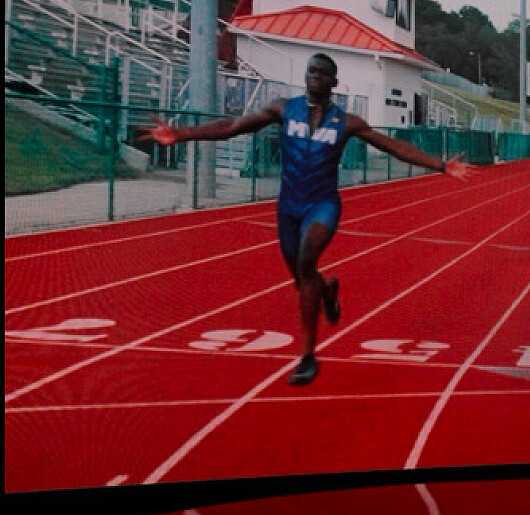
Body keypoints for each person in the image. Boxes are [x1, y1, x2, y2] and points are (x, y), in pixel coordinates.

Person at [143, 53, 477, 385]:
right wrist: (182, 134)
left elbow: (392, 146)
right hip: (289, 207)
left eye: (321, 73)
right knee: (303, 280)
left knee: (306, 260)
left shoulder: (346, 122)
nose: (314, 76)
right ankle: (327, 291)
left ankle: (307, 356)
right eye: (310, 71)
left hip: (322, 205)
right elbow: (232, 127)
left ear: (333, 82)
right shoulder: (283, 109)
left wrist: (440, 165)